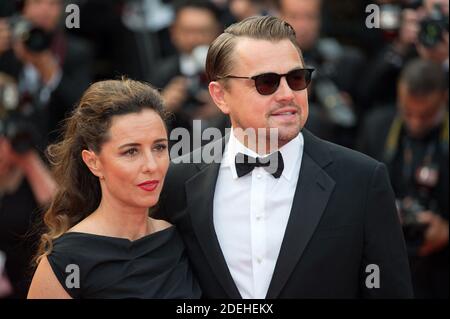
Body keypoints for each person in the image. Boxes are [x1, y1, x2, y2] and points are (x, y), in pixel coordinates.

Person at [155, 16, 413, 298]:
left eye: (296, 78)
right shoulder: (178, 180)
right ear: (220, 96)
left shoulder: (362, 180)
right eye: (267, 82)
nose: (288, 94)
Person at [27, 79, 201, 299]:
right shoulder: (67, 261)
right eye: (130, 152)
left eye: (159, 147)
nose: (151, 165)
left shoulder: (178, 237)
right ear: (93, 162)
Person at [358, 58, 448, 298]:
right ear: (399, 94)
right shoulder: (376, 126)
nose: (416, 122)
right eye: (408, 112)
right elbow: (354, 193)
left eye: (427, 115)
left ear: (444, 98)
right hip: (385, 261)